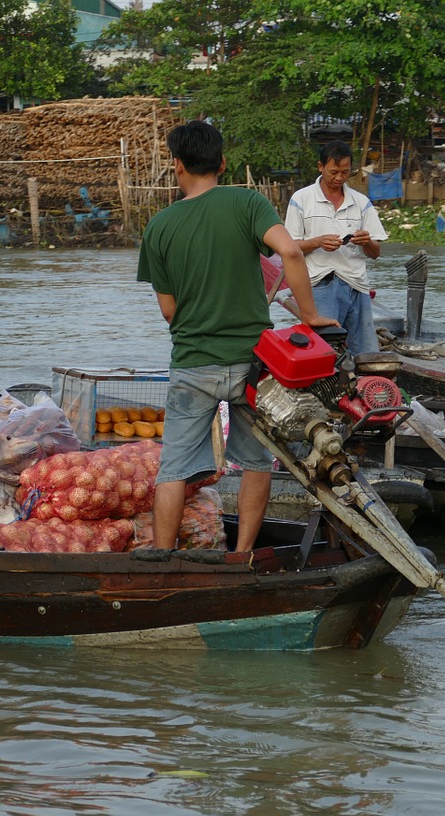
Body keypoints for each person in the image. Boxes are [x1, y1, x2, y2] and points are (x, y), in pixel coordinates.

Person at [137, 121, 336, 553]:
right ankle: (242, 556)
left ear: (177, 166)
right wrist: (310, 316)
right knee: (255, 460)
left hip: (193, 363)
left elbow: (169, 310)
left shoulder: (159, 227)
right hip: (254, 362)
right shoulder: (247, 202)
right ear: (222, 163)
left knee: (172, 470)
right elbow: (289, 251)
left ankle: (165, 561)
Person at [284, 140, 388, 355]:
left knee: (365, 352)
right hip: (320, 284)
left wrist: (366, 241)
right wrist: (317, 242)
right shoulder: (301, 199)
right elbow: (289, 248)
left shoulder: (361, 202)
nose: (339, 178)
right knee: (325, 352)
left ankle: (364, 387)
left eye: (345, 172)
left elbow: (375, 252)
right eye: (333, 172)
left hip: (357, 286)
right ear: (320, 167)